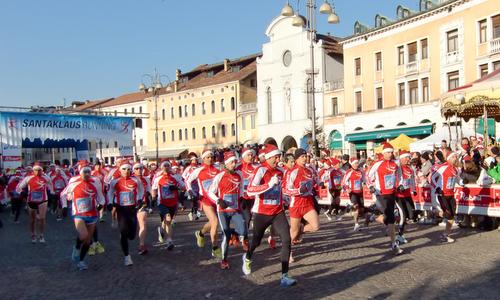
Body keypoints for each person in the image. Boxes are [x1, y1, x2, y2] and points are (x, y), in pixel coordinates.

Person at [243, 144, 296, 287]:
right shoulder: (260, 170)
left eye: (279, 156)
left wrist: (284, 197)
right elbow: (250, 190)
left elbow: (280, 189)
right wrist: (268, 185)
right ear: (268, 157)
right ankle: (247, 257)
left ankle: (284, 276)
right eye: (276, 157)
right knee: (256, 241)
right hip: (262, 213)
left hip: (278, 212)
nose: (278, 159)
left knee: (286, 239)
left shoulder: (280, 171)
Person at [61, 165, 105, 270]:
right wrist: (64, 206)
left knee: (88, 241)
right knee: (83, 235)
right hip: (79, 214)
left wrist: (101, 204)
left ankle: (81, 261)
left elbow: (100, 195)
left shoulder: (96, 182)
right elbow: (63, 194)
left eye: (88, 172)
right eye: (84, 172)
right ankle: (76, 247)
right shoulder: (74, 181)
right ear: (80, 173)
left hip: (92, 214)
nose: (86, 174)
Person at [208, 151, 247, 269]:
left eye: (235, 162)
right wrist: (218, 200)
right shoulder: (220, 176)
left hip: (235, 209)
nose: (234, 164)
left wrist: (241, 198)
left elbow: (240, 188)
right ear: (226, 164)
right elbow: (210, 191)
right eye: (231, 162)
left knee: (243, 229)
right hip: (223, 211)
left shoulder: (239, 174)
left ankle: (233, 235)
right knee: (226, 235)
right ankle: (224, 260)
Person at [368, 143, 403, 255]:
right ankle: (394, 244)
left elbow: (399, 176)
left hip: (391, 193)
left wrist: (399, 184)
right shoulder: (377, 164)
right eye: (388, 152)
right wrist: (371, 186)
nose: (391, 154)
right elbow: (368, 176)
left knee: (389, 218)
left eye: (392, 152)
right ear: (383, 153)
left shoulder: (395, 164)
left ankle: (373, 217)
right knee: (391, 218)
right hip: (381, 194)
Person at [186, 149, 222, 258]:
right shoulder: (198, 170)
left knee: (213, 222)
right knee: (215, 221)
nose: (210, 159)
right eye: (208, 157)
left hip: (216, 199)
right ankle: (215, 247)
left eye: (211, 157)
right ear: (203, 158)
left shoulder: (218, 169)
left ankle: (201, 233)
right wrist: (190, 191)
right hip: (205, 200)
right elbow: (187, 180)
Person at [108, 162, 144, 266]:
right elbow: (110, 192)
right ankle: (127, 257)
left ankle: (127, 236)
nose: (126, 171)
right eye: (124, 169)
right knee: (123, 232)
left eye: (128, 169)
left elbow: (141, 190)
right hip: (121, 209)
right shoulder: (115, 181)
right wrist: (110, 202)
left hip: (132, 209)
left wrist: (139, 199)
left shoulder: (136, 180)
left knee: (132, 235)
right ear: (120, 170)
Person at [286, 148, 320, 245]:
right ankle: (288, 253)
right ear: (296, 159)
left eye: (306, 156)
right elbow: (286, 190)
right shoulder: (292, 172)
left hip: (308, 203)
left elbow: (315, 179)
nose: (305, 158)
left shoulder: (309, 170)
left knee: (316, 226)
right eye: (302, 157)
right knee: (293, 232)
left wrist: (319, 182)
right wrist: (298, 191)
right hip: (296, 205)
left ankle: (301, 229)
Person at [16, 163, 54, 243]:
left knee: (42, 218)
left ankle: (41, 235)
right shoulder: (28, 178)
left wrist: (52, 192)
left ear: (42, 170)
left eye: (39, 170)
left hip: (43, 200)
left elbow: (51, 184)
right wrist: (22, 192)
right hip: (31, 200)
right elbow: (19, 187)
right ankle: (33, 234)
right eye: (36, 170)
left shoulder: (45, 177)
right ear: (33, 171)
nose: (37, 172)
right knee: (32, 219)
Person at [151, 161, 185, 250]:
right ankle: (169, 241)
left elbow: (184, 187)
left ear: (170, 167)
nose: (166, 167)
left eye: (168, 165)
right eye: (164, 165)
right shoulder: (158, 178)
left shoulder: (175, 177)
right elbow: (153, 189)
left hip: (173, 203)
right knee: (168, 219)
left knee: (166, 222)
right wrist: (153, 199)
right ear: (161, 167)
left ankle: (161, 231)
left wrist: (176, 188)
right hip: (162, 203)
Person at [431, 149, 460, 243]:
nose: (455, 158)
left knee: (452, 216)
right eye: (453, 157)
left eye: (456, 156)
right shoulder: (443, 167)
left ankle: (445, 235)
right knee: (447, 214)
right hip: (442, 194)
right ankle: (436, 212)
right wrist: (437, 188)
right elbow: (432, 177)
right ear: (448, 158)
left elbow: (458, 180)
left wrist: (463, 182)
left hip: (451, 195)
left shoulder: (456, 169)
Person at [395, 150, 416, 244]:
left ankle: (401, 232)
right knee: (403, 215)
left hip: (407, 195)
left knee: (410, 216)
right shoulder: (398, 168)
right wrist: (398, 186)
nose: (409, 159)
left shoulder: (410, 169)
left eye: (409, 157)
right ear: (401, 158)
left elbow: (412, 181)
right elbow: (393, 179)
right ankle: (399, 236)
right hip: (399, 196)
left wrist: (414, 189)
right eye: (406, 157)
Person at [133, 163, 151, 255]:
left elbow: (149, 189)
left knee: (143, 223)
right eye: (136, 168)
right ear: (133, 170)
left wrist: (148, 193)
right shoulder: (131, 179)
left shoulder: (146, 179)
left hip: (142, 205)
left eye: (141, 168)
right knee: (130, 229)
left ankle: (141, 245)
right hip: (129, 205)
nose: (139, 170)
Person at [342, 157, 365, 231]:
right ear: (352, 164)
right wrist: (347, 188)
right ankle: (356, 224)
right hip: (353, 192)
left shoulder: (360, 171)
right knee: (356, 207)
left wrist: (365, 184)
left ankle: (350, 209)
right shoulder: (349, 172)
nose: (357, 164)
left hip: (360, 192)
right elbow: (343, 182)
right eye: (355, 163)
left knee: (361, 209)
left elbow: (364, 180)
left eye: (357, 163)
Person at [182, 154, 200, 221]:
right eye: (193, 160)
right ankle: (194, 212)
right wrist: (188, 178)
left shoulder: (199, 167)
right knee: (193, 200)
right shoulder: (188, 168)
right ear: (191, 161)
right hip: (190, 186)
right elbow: (183, 175)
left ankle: (193, 213)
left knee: (196, 200)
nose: (195, 161)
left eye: (195, 159)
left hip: (197, 185)